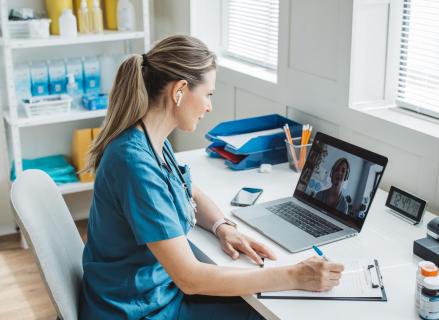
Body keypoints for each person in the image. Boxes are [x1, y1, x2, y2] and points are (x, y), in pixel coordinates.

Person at [79, 35, 344, 320]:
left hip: (157, 296)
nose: (209, 107)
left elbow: (190, 190)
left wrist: (223, 228)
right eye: (208, 94)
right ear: (180, 90)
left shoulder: (151, 139)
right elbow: (191, 279)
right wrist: (294, 275)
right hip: (137, 311)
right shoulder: (134, 164)